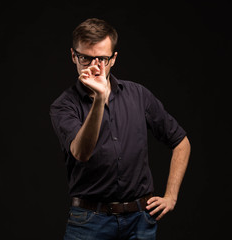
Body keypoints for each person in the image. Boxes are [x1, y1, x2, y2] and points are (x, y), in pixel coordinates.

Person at [50, 18, 191, 240]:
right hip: (89, 221)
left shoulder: (139, 95)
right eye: (85, 58)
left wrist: (171, 196)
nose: (95, 66)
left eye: (102, 59)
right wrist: (99, 99)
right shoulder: (64, 105)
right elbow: (81, 152)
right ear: (73, 56)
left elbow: (180, 141)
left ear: (113, 59)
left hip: (140, 221)